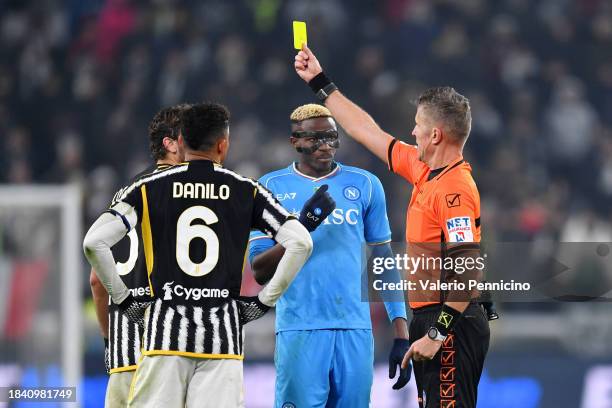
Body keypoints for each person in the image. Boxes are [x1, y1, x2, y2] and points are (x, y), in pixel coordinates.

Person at [294, 46, 491, 408]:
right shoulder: (424, 170)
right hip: (435, 320)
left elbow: (469, 272)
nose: (412, 131)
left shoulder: (454, 190)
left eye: (418, 124)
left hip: (449, 325)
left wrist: (436, 333)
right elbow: (365, 131)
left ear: (435, 136)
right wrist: (321, 83)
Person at [83, 102, 313, 408]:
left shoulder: (147, 188)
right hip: (223, 342)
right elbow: (301, 243)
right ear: (223, 144)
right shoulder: (246, 190)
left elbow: (93, 243)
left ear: (180, 142)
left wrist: (124, 300)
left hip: (162, 339)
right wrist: (263, 302)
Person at [248, 103, 410, 408]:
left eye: (332, 137)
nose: (325, 146)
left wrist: (401, 333)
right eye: (314, 138)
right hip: (300, 329)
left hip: (356, 330)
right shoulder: (270, 187)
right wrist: (303, 229)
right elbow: (259, 270)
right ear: (294, 140)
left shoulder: (365, 185)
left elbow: (384, 262)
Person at [89, 104, 189, 408]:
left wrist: (111, 342)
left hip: (123, 354)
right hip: (171, 353)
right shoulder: (191, 191)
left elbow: (96, 279)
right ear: (170, 144)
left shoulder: (124, 193)